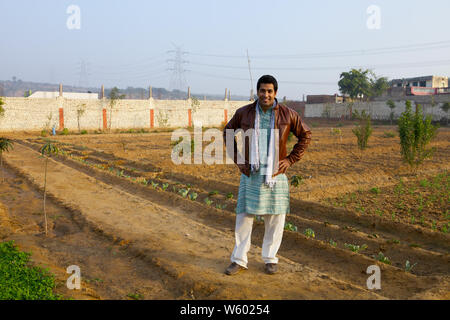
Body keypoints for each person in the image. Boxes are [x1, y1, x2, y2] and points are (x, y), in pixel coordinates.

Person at [223, 75, 312, 275]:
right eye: (262, 90)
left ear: (275, 93)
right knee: (244, 217)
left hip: (276, 173)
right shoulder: (244, 113)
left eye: (270, 91)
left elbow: (306, 135)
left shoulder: (289, 114)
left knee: (275, 217)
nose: (266, 94)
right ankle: (239, 259)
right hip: (251, 172)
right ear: (257, 91)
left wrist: (289, 160)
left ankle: (270, 258)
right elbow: (228, 132)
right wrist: (239, 161)